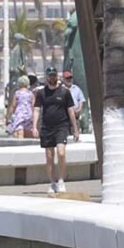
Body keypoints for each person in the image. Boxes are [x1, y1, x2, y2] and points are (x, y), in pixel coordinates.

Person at [32, 66, 78, 194]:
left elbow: (71, 111)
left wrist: (75, 129)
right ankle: (52, 182)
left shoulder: (64, 92)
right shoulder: (41, 93)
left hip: (61, 126)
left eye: (54, 75)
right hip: (47, 127)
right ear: (46, 77)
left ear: (57, 76)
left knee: (61, 153)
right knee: (49, 156)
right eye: (50, 75)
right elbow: (36, 109)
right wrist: (34, 126)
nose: (52, 77)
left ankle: (61, 180)